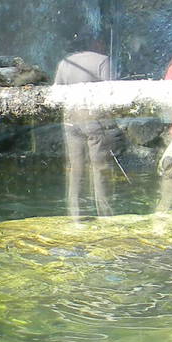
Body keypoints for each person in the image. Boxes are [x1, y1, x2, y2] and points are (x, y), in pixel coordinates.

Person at [54, 35, 118, 218]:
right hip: (95, 120)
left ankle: (76, 215)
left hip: (71, 120)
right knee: (100, 168)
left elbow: (57, 93)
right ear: (96, 43)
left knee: (76, 168)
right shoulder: (103, 61)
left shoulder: (65, 63)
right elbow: (112, 93)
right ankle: (105, 215)